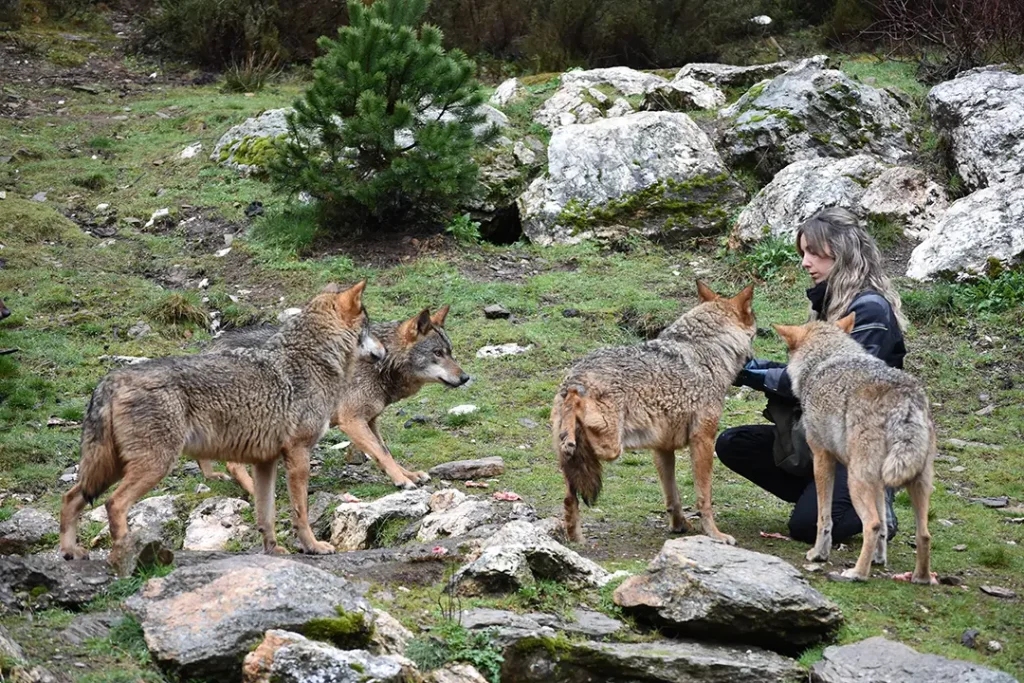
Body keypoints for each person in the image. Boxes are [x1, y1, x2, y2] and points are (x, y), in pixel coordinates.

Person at [717, 207, 906, 544]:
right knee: (734, 444)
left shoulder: (869, 310)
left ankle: (879, 509)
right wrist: (744, 367)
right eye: (803, 252)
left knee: (805, 529)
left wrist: (750, 376)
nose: (806, 262)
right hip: (826, 440)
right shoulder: (831, 302)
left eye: (815, 253)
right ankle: (820, 494)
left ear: (843, 252)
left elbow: (834, 387)